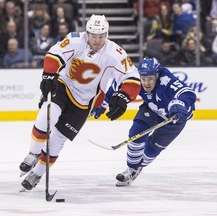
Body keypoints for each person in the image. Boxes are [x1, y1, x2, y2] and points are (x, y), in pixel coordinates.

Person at [19, 14, 141, 190]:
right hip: (63, 85)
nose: (97, 40)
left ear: (106, 34)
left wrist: (123, 96)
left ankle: (37, 173)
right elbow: (54, 54)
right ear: (87, 32)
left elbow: (132, 77)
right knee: (48, 114)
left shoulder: (115, 53)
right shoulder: (75, 39)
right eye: (94, 36)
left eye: (101, 36)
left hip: (84, 101)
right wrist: (49, 73)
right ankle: (33, 152)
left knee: (58, 140)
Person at [92, 58, 196, 186]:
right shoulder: (136, 79)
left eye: (150, 79)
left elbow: (187, 93)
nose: (146, 83)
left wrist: (179, 105)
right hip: (152, 109)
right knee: (136, 133)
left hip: (174, 118)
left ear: (157, 76)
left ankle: (138, 167)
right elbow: (116, 85)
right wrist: (102, 104)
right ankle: (131, 169)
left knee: (153, 148)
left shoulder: (167, 82)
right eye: (144, 78)